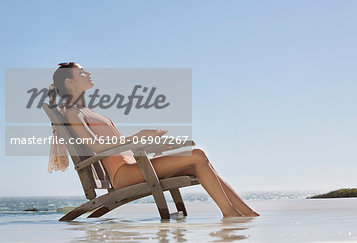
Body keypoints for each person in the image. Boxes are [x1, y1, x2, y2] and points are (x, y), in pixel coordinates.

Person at [48, 62, 259, 218]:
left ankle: (245, 212)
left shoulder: (86, 111)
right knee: (197, 156)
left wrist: (151, 145)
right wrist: (136, 138)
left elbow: (119, 148)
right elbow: (96, 146)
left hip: (134, 166)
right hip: (124, 174)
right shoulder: (73, 113)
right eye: (82, 72)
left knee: (199, 159)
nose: (88, 73)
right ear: (69, 82)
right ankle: (231, 214)